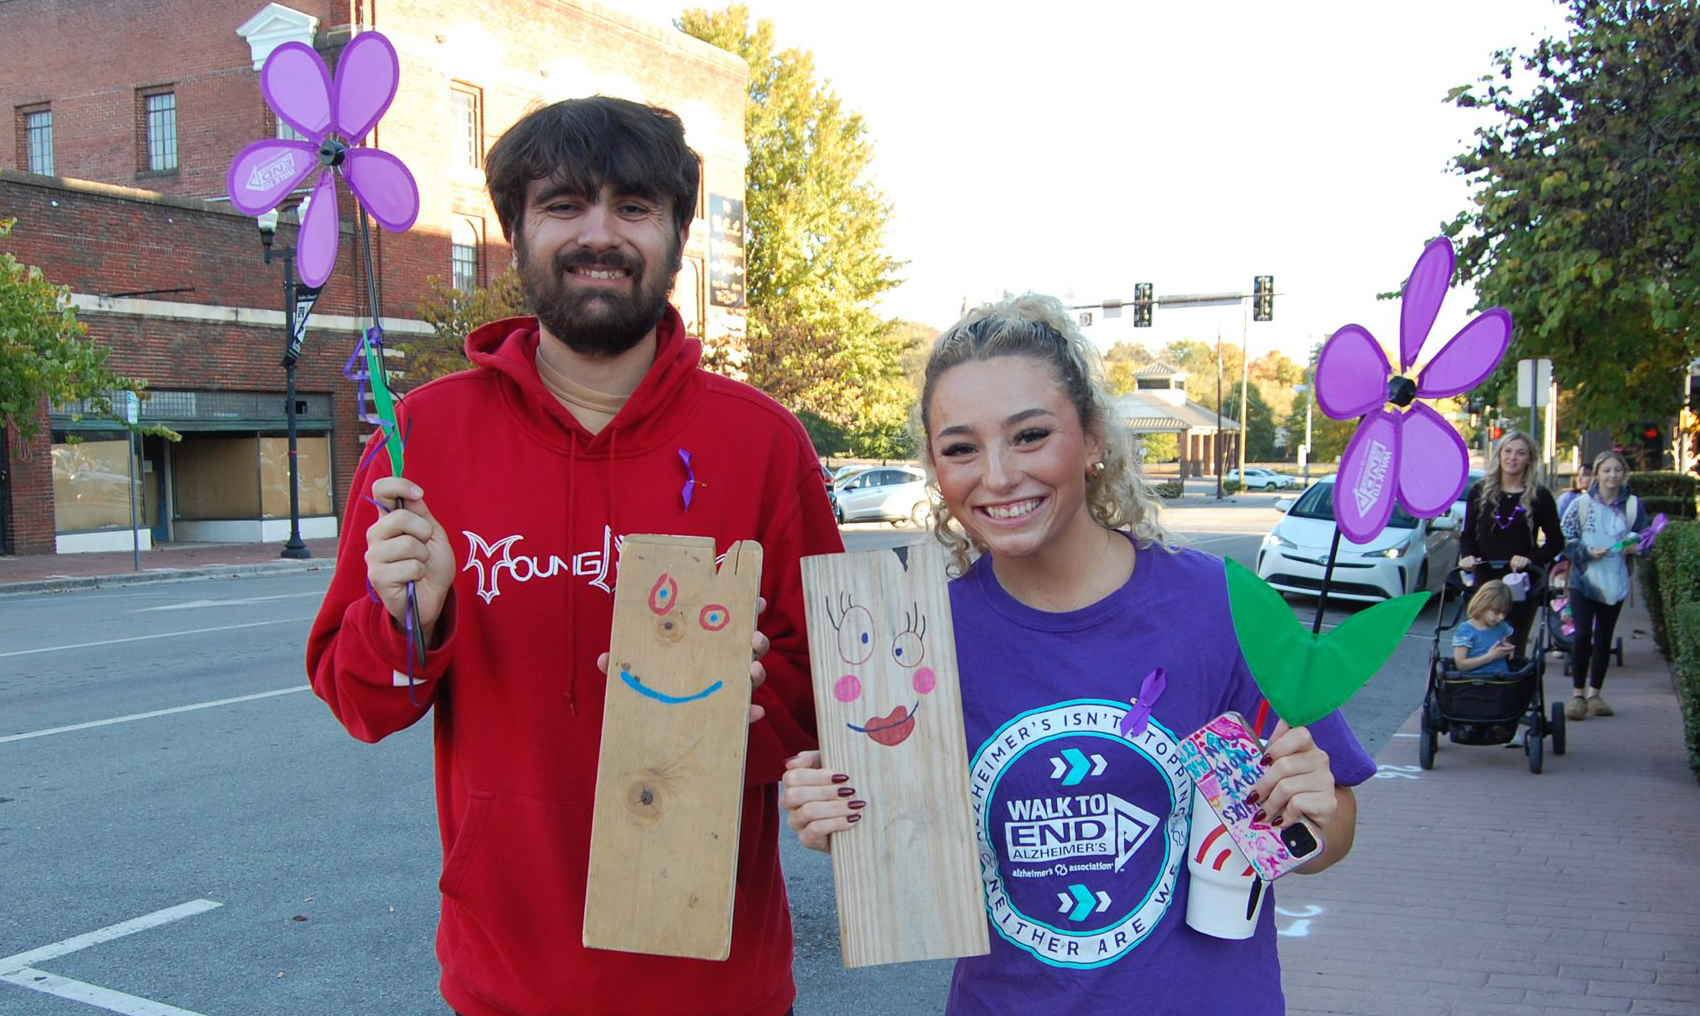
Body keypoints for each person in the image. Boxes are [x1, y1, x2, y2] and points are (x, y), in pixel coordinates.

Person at [305, 97, 841, 1016]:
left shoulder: (761, 442)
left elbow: (834, 693)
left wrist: (740, 697)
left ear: (678, 235)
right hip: (506, 982)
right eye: (563, 205)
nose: (599, 234)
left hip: (719, 984)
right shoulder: (419, 441)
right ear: (515, 231)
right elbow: (360, 702)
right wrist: (411, 619)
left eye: (634, 207)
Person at [781, 295, 1372, 1015]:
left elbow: (1331, 831)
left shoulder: (1226, 607)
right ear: (936, 468)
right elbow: (904, 853)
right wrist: (841, 818)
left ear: (1093, 439)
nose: (998, 475)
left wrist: (1309, 808)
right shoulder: (915, 641)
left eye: (1030, 435)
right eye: (961, 448)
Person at [1559, 450, 1648, 720]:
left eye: (1617, 470)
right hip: (1583, 581)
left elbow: (1645, 539)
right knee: (1582, 635)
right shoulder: (1581, 504)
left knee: (1604, 639)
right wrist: (1586, 552)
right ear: (1597, 473)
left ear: (1624, 474)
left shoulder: (1633, 506)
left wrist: (1636, 547)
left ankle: (1595, 694)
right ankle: (1577, 695)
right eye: (1607, 470)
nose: (1612, 476)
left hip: (1615, 581)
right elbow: (1564, 540)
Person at [1457, 430, 1563, 654]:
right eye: (1508, 451)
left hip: (1520, 582)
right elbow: (1467, 535)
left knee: (1512, 644)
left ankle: (1515, 675)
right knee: (1480, 643)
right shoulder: (1479, 491)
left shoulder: (1540, 496)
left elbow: (1556, 541)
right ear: (1499, 454)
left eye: (1520, 453)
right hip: (1486, 580)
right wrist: (1467, 557)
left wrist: (1530, 559)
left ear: (1529, 459)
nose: (1512, 457)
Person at [1452, 580, 1516, 676]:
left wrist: (1506, 647)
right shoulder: (1467, 630)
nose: (1501, 617)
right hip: (1477, 680)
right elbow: (1460, 664)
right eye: (1496, 612)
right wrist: (1490, 657)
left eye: (1504, 613)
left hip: (1501, 678)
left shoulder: (1501, 626)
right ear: (1482, 605)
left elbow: (1503, 640)